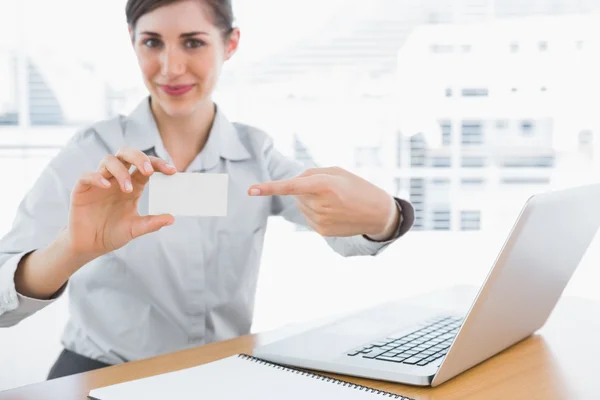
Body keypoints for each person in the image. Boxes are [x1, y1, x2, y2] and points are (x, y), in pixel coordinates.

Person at [0, 0, 415, 380]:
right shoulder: (92, 153)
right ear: (133, 43)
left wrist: (386, 216)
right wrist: (70, 251)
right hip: (101, 376)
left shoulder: (256, 154)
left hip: (217, 377)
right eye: (152, 43)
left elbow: (345, 230)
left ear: (230, 43)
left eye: (193, 43)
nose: (170, 67)